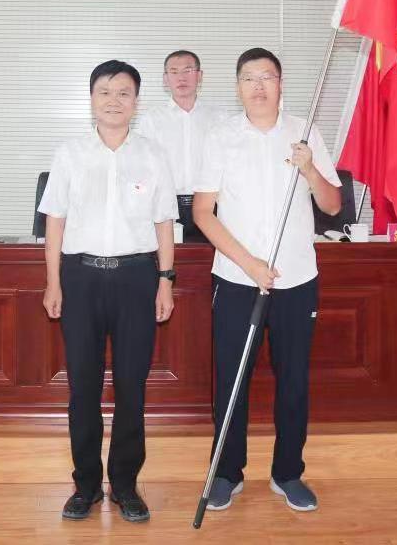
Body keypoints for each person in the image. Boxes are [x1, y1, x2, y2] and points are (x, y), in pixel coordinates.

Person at [193, 47, 343, 514]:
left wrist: (310, 168)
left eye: (267, 77)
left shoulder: (305, 132)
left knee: (293, 379)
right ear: (237, 87)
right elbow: (203, 212)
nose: (258, 86)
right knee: (231, 381)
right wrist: (250, 264)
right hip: (237, 278)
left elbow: (333, 205)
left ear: (281, 84)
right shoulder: (220, 136)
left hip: (297, 279)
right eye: (248, 78)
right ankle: (226, 472)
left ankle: (288, 472)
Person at [39, 60, 178, 524]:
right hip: (80, 279)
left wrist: (165, 280)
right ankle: (85, 486)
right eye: (105, 92)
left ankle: (124, 485)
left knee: (131, 387)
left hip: (137, 278)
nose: (113, 101)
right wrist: (54, 281)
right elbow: (54, 223)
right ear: (91, 99)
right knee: (83, 387)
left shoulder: (153, 154)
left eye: (123, 93)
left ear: (136, 102)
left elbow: (164, 223)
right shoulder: (70, 153)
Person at [136, 50, 226, 242]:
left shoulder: (219, 118)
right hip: (166, 205)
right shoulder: (151, 120)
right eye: (174, 72)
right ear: (165, 79)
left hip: (210, 205)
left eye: (187, 70)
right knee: (167, 257)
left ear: (199, 76)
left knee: (209, 257)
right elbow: (142, 168)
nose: (181, 77)